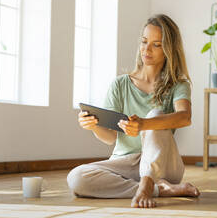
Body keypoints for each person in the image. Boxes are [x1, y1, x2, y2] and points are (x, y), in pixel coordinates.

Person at [67, 14, 200, 208]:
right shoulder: (120, 84)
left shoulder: (178, 85)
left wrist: (144, 125)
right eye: (144, 41)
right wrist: (94, 126)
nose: (147, 49)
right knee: (76, 178)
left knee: (155, 114)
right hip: (126, 163)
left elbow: (184, 117)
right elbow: (110, 137)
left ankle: (148, 184)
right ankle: (159, 189)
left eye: (156, 44)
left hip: (163, 165)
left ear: (169, 50)